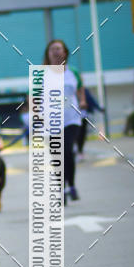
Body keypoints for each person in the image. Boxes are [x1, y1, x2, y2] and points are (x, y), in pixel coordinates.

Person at [43, 39, 86, 202]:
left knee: (67, 150)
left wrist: (82, 100)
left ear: (65, 52)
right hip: (51, 121)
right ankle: (61, 189)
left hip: (71, 119)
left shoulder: (73, 72)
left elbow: (80, 88)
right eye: (52, 49)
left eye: (58, 48)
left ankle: (71, 186)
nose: (55, 52)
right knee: (57, 156)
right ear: (48, 54)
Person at [77, 87, 105, 159]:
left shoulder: (84, 90)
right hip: (72, 118)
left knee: (82, 135)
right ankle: (76, 150)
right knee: (75, 135)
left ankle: (80, 151)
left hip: (83, 116)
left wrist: (99, 108)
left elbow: (91, 100)